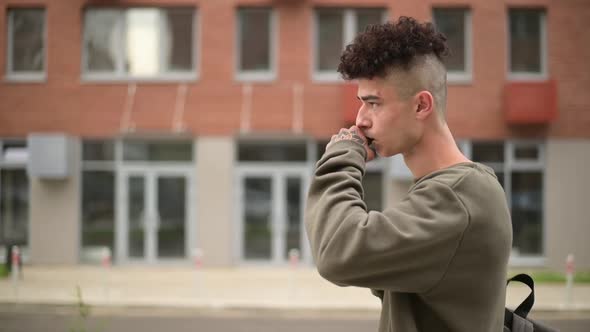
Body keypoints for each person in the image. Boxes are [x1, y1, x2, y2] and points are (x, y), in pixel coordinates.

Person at [305, 17, 512, 332]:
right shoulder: (446, 190)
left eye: (373, 103)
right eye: (361, 103)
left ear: (421, 106)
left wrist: (342, 156)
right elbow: (377, 271)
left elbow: (337, 251)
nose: (360, 120)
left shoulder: (458, 197)